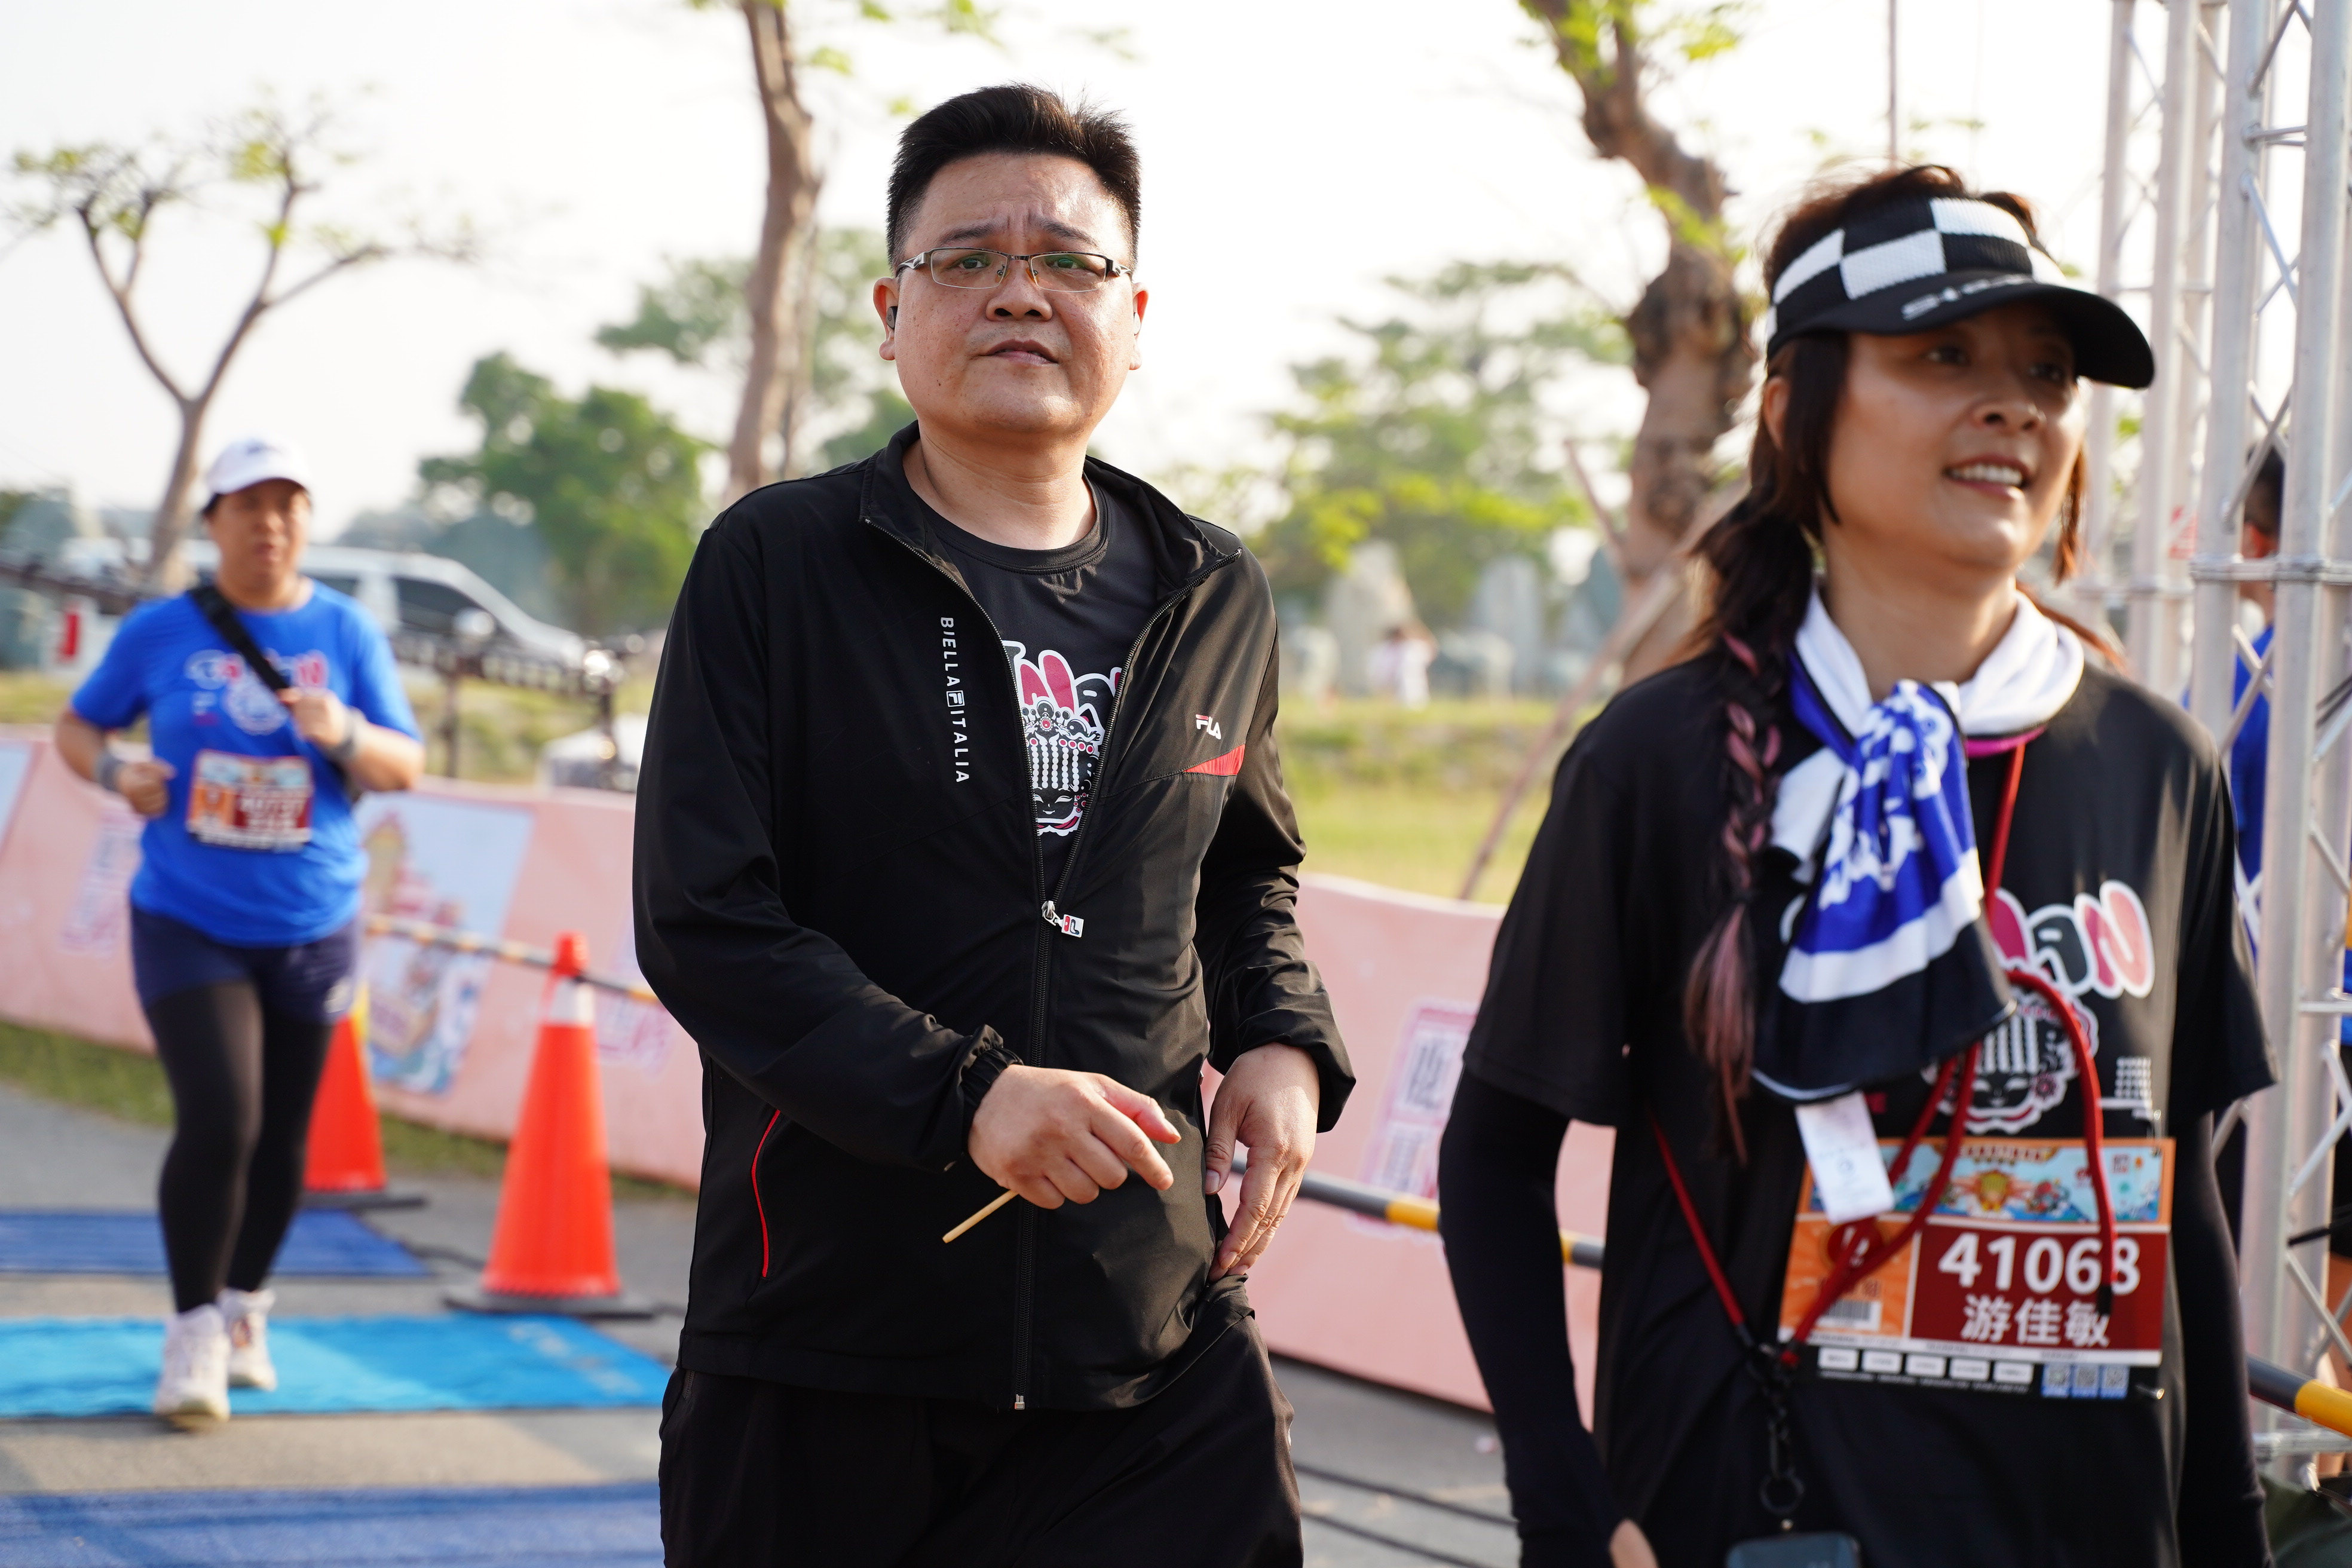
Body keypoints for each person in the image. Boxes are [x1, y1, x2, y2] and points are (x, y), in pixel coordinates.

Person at [1439, 166, 2274, 1566]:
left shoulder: (2160, 765)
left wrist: (2229, 1531)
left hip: (2084, 1521)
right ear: (1792, 410)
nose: (2014, 405)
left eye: (2047, 370)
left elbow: (2183, 1192)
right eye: (1942, 355)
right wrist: (1565, 1508)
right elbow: (1495, 1155)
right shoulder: (1658, 758)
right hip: (1753, 1512)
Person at [635, 84, 1351, 1568]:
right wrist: (965, 1096)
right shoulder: (777, 564)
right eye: (968, 259)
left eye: (1070, 261)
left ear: (1134, 318)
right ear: (891, 314)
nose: (1022, 291)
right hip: (827, 1347)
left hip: (1146, 1344)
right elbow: (706, 919)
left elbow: (1243, 876)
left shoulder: (1215, 589)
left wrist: (1283, 1039)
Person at [54, 434, 425, 1428]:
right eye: (248, 504)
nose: (270, 523)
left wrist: (345, 731)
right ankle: (192, 1335)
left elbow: (404, 765)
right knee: (223, 1118)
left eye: (287, 504)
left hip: (312, 920)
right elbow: (78, 727)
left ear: (307, 522)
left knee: (284, 1140)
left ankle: (244, 1306)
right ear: (213, 522)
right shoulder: (162, 631)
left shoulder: (346, 630)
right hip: (189, 916)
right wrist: (116, 772)